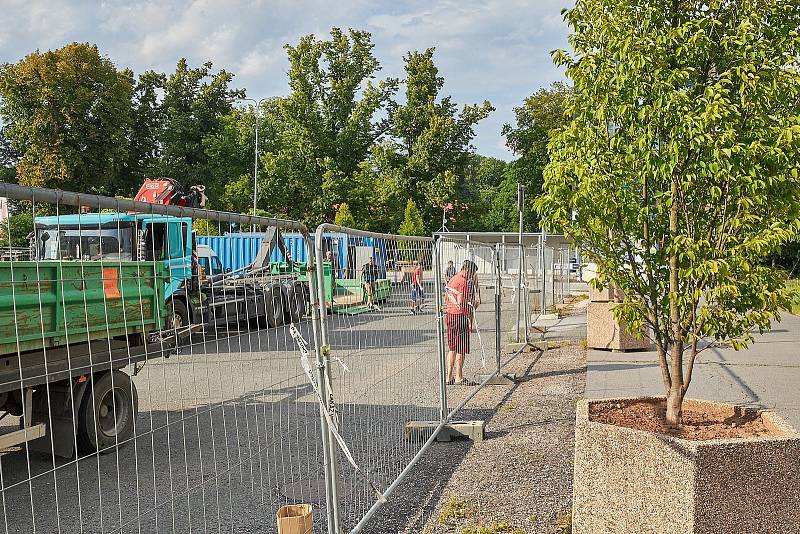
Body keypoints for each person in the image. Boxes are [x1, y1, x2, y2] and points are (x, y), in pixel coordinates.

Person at [444, 260, 478, 385]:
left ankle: (448, 376)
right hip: (460, 316)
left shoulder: (452, 279)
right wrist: (471, 303)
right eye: (472, 273)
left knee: (452, 348)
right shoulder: (463, 281)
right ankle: (459, 377)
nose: (471, 276)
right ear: (468, 270)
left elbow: (447, 296)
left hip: (450, 315)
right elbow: (460, 301)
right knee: (461, 348)